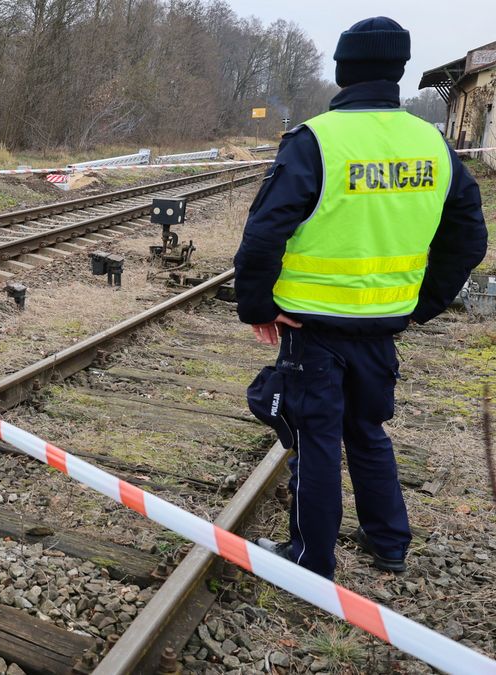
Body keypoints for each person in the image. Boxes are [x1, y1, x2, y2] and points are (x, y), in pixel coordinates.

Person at [235, 17, 487, 580]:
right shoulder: (432, 143)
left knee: (316, 439)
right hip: (382, 327)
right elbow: (470, 237)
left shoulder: (316, 140)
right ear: (397, 72)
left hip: (314, 328)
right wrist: (424, 303)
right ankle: (390, 544)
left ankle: (309, 559)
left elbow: (264, 231)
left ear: (343, 70)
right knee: (368, 431)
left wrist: (255, 304)